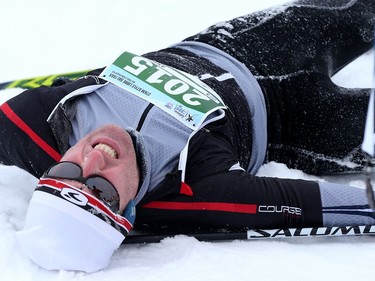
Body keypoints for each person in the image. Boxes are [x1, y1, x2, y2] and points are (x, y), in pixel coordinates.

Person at [1, 0, 375, 273]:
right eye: (101, 190)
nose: (93, 160)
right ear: (128, 212)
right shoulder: (190, 192)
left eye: (67, 173)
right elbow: (314, 203)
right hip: (295, 121)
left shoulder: (33, 124)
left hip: (234, 45)